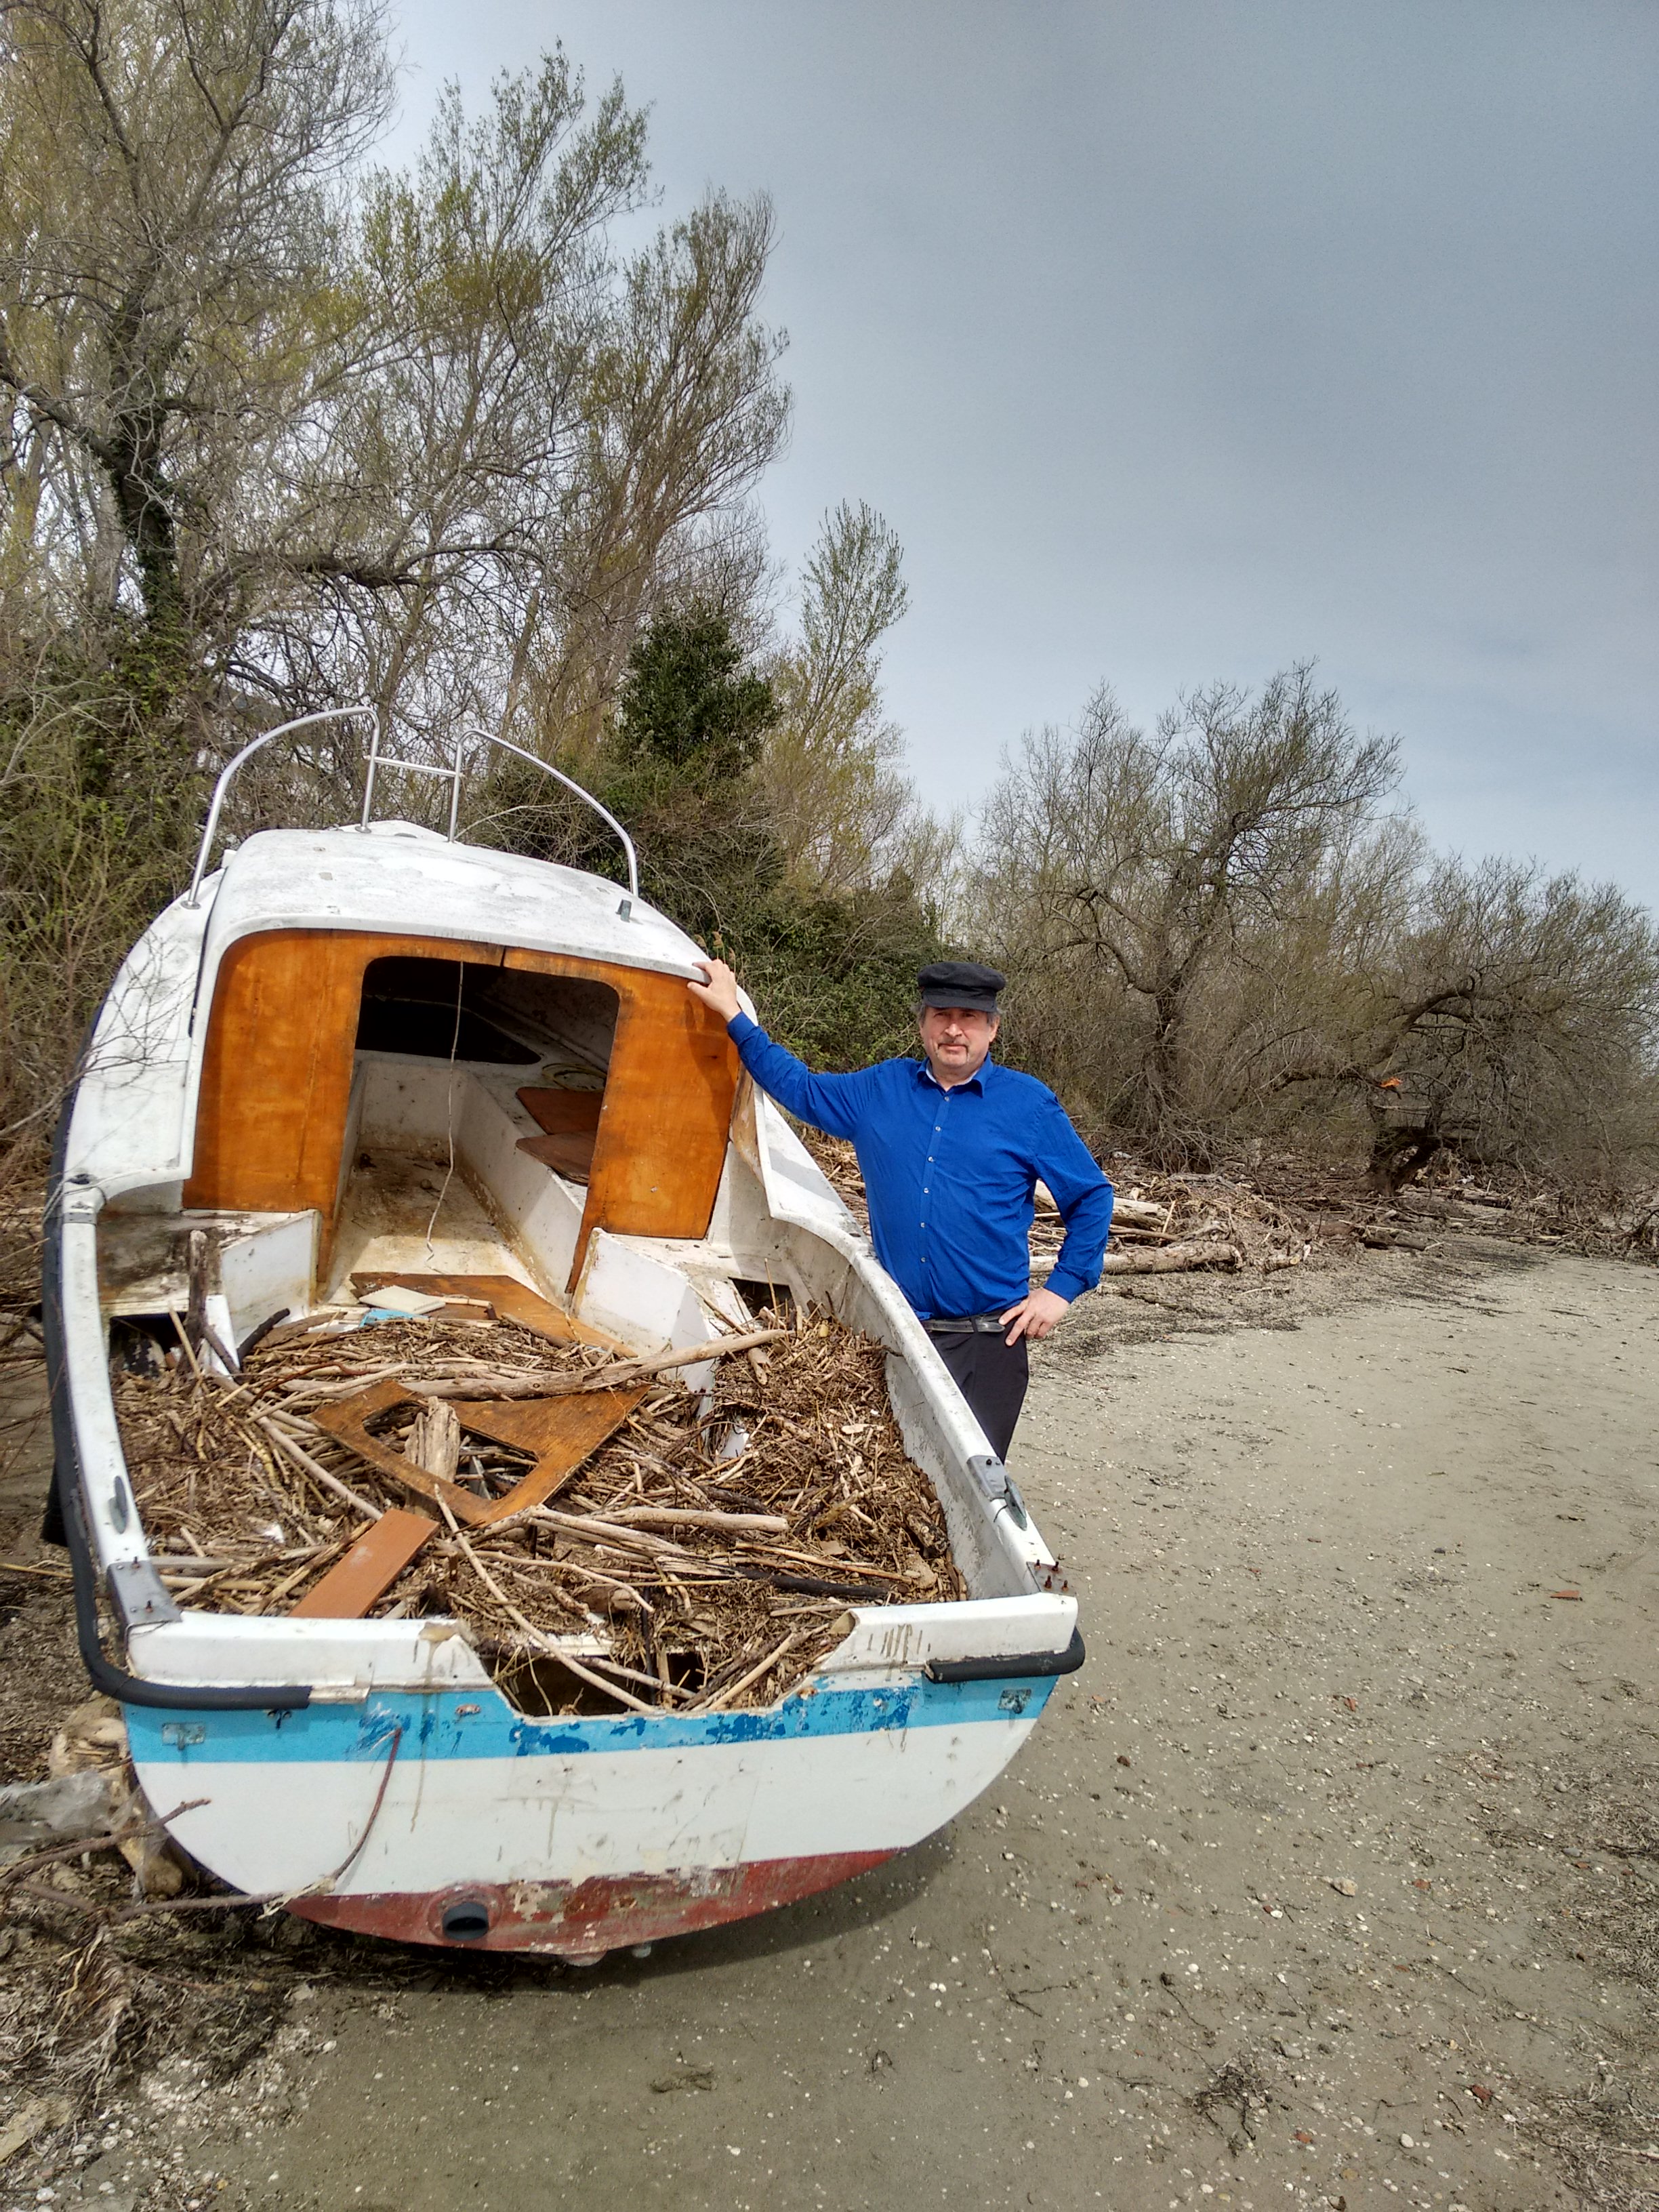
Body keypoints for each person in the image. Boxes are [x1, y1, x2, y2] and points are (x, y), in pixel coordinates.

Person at [687, 956, 1113, 1460]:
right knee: (893, 1476)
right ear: (922, 1024)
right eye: (941, 1015)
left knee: (972, 1486)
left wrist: (1061, 1290)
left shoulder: (1029, 1105)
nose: (954, 1029)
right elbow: (799, 1086)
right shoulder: (879, 1091)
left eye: (969, 1017)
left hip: (987, 1346)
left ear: (992, 1028)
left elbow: (1091, 1196)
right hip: (895, 1336)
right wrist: (735, 1015)